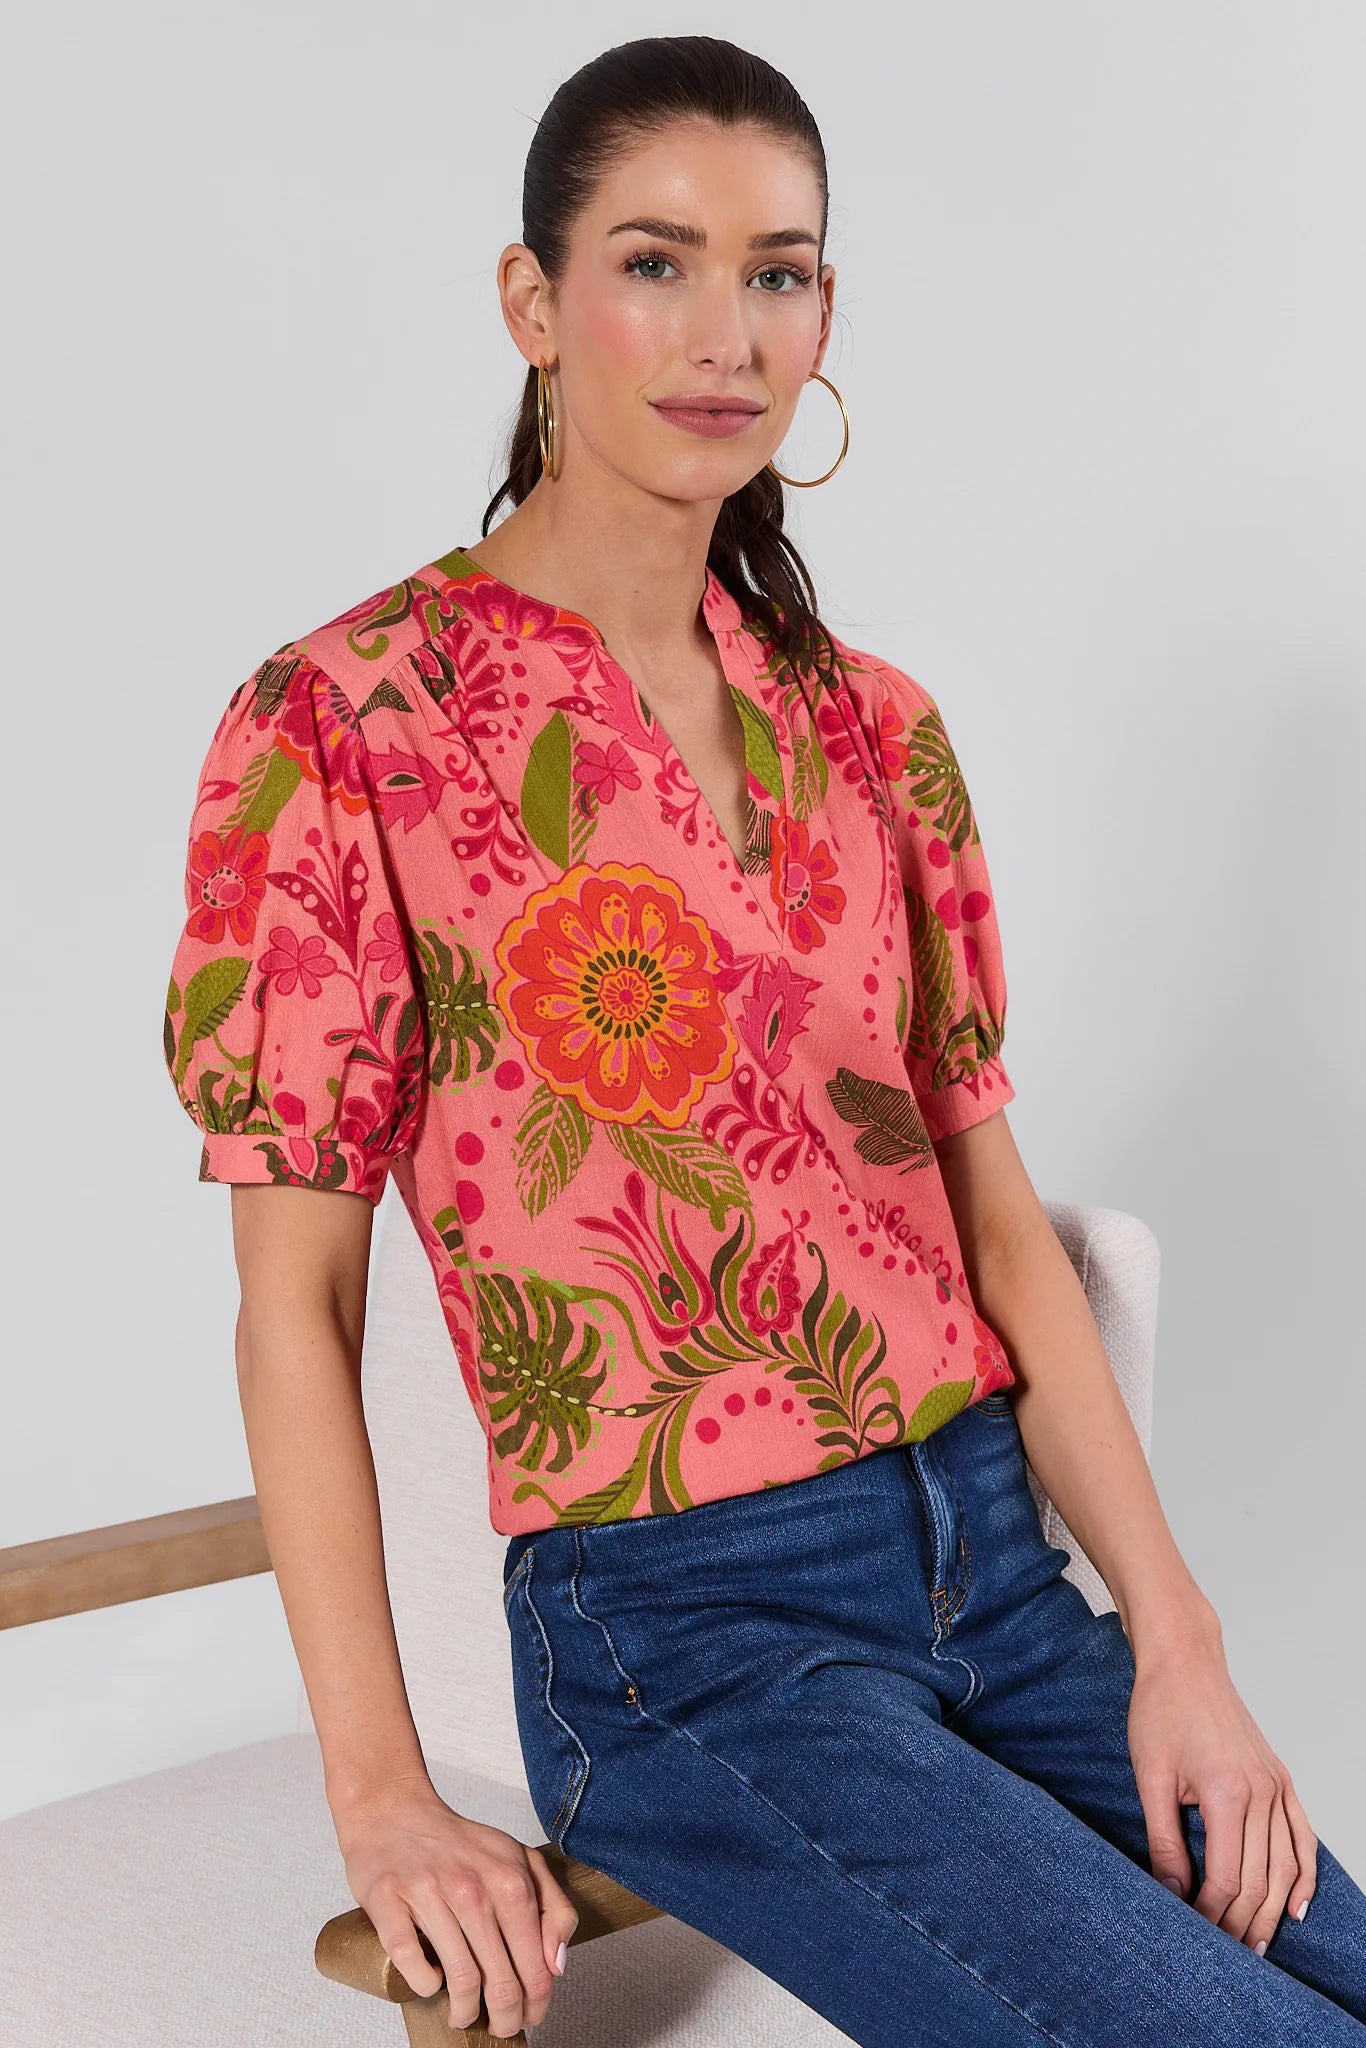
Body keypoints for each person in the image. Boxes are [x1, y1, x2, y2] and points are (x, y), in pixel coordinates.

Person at [161, 32, 1366, 2047]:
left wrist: (1183, 1639)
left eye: (778, 270)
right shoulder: (344, 720)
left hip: (992, 1566)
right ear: (531, 301)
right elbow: (294, 1306)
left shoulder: (870, 725)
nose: (725, 332)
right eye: (655, 262)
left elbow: (988, 1223)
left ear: (826, 313)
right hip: (688, 1645)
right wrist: (378, 1792)